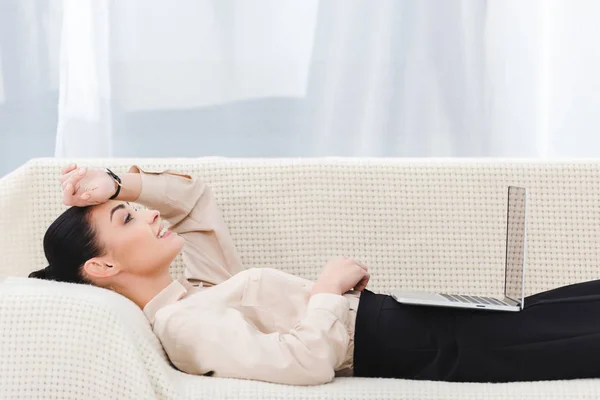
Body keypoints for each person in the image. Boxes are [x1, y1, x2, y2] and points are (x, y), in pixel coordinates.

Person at [30, 164, 600, 385]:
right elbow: (302, 365)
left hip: (404, 317)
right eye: (128, 218)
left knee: (573, 306)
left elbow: (193, 202)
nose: (151, 214)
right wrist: (326, 292)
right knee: (575, 340)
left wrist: (115, 183)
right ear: (102, 266)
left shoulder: (199, 290)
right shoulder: (183, 327)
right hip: (405, 342)